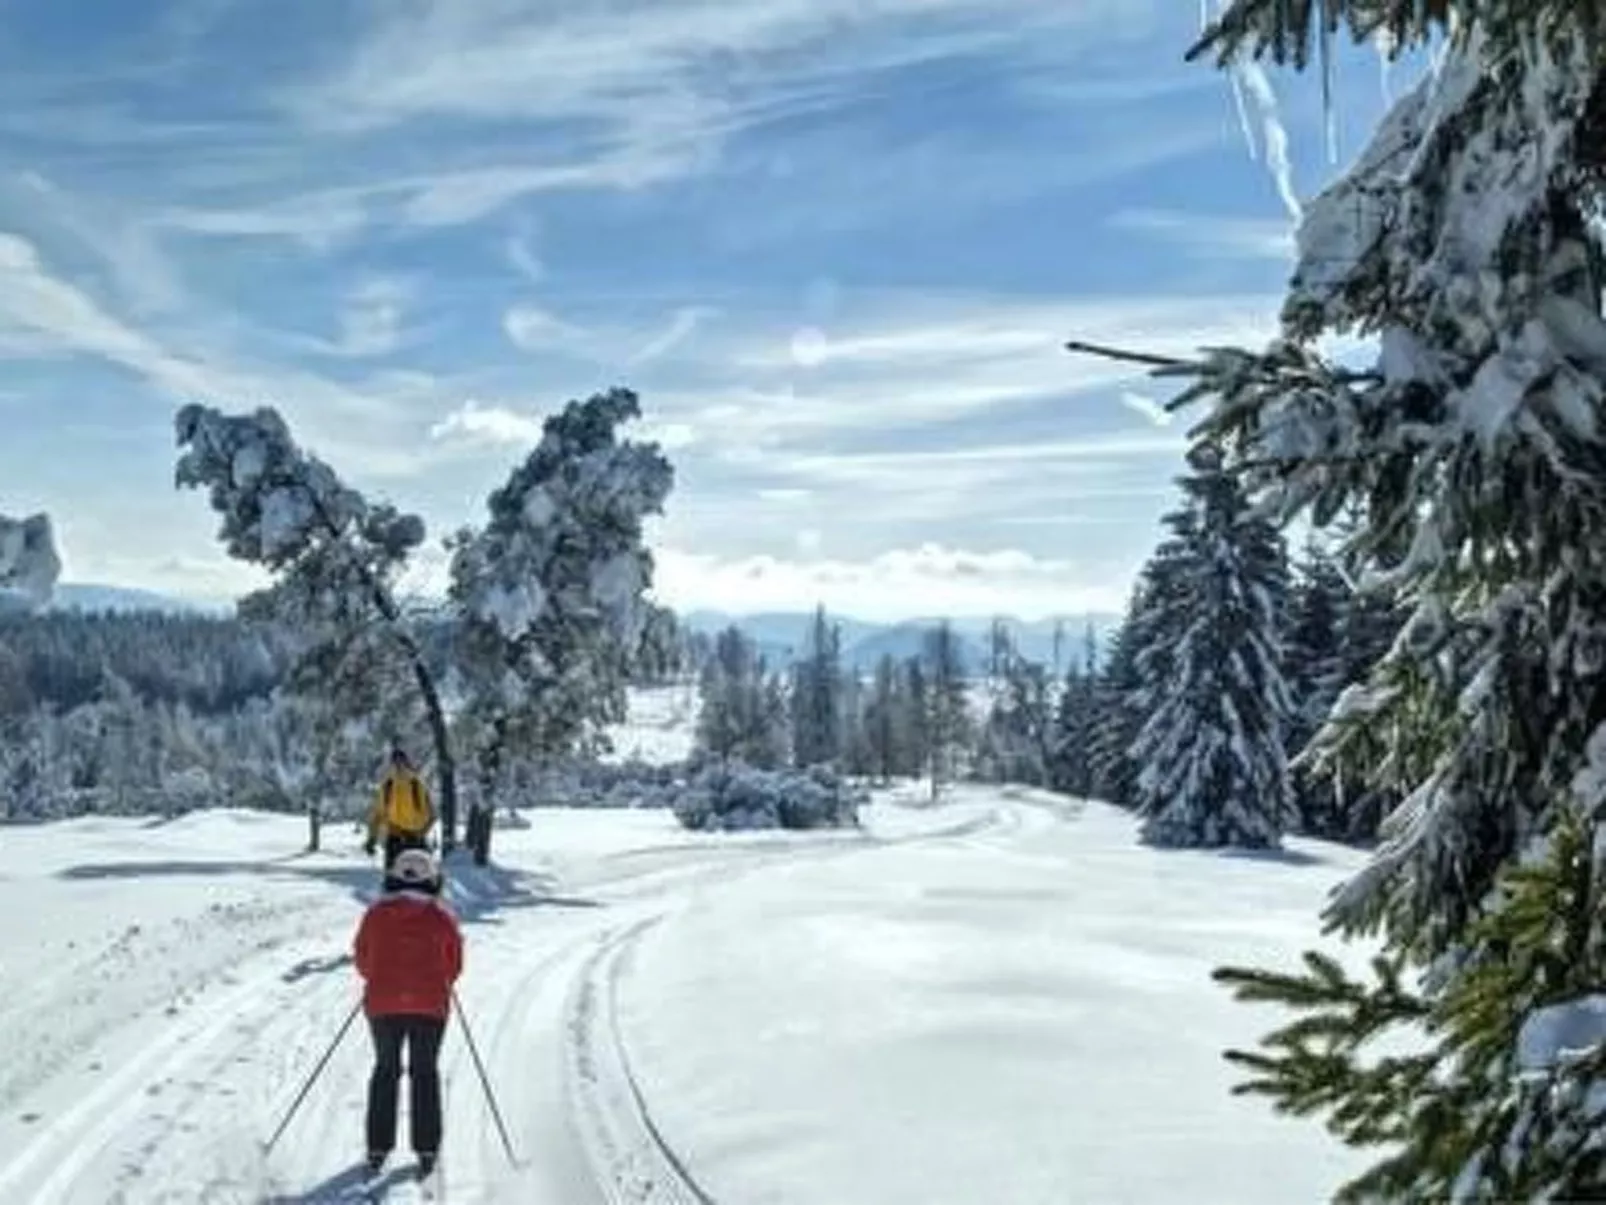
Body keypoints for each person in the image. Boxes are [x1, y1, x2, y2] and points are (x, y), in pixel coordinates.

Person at [353, 848, 462, 1179]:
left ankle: (377, 1147)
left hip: (383, 1006)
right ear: (432, 879)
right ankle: (427, 1148)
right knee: (424, 1072)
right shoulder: (442, 916)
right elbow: (453, 965)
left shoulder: (374, 914)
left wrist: (383, 979)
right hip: (430, 1006)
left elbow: (362, 960)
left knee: (386, 1069)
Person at [365, 747, 435, 868]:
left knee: (420, 877)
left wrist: (421, 832)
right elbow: (377, 815)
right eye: (395, 763)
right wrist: (372, 838)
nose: (398, 766)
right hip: (396, 837)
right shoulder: (388, 786)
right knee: (396, 878)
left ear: (406, 763)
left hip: (415, 838)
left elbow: (431, 814)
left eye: (401, 762)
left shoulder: (417, 784)